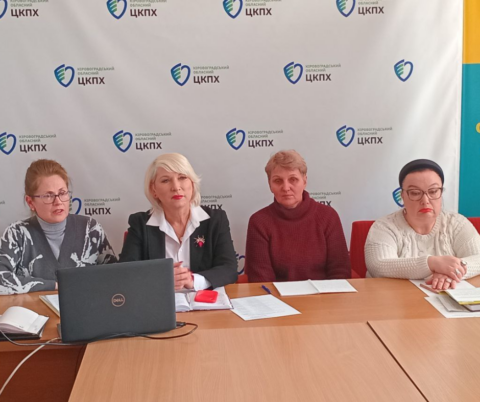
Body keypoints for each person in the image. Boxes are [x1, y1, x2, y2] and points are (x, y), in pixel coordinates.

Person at [120, 153, 238, 290]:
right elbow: (126, 272)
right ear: (154, 190)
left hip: (203, 300)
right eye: (165, 180)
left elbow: (229, 269)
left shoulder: (216, 220)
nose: (176, 187)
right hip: (159, 299)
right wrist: (161, 278)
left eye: (182, 177)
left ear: (192, 184)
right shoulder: (140, 224)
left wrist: (193, 280)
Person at [0, 159, 117, 295]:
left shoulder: (90, 229)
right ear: (30, 202)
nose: (58, 202)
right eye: (48, 196)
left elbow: (115, 276)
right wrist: (54, 285)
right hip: (34, 309)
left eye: (62, 193)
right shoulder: (16, 234)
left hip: (85, 307)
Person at [365, 159, 480, 290]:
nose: (425, 200)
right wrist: (432, 264)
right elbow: (378, 266)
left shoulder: (457, 223)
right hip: (395, 298)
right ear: (402, 196)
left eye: (433, 191)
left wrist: (450, 272)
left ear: (441, 193)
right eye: (415, 193)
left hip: (445, 298)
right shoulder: (383, 227)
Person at [245, 150, 351, 282]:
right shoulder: (259, 222)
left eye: (293, 179)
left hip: (324, 294)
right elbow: (261, 280)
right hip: (277, 295)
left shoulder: (328, 216)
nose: (286, 187)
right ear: (270, 185)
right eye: (278, 181)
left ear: (304, 181)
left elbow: (340, 273)